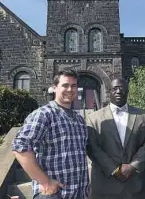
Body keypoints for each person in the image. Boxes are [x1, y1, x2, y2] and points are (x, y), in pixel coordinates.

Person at [12, 68, 89, 199]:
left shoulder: (79, 120)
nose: (70, 89)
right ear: (54, 88)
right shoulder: (44, 114)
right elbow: (20, 147)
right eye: (65, 85)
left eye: (74, 86)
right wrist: (44, 181)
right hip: (53, 194)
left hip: (79, 193)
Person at [86, 77, 145, 199]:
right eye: (115, 89)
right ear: (109, 92)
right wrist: (114, 169)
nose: (118, 91)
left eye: (122, 88)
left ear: (128, 91)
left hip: (137, 184)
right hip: (105, 184)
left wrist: (133, 166)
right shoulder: (93, 118)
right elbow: (92, 147)